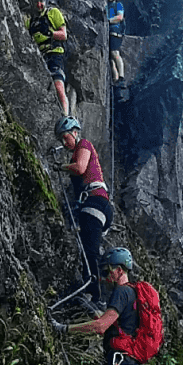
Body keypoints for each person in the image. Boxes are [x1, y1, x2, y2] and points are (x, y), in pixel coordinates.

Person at [56, 116, 112, 305]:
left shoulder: (84, 145)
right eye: (61, 140)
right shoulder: (77, 151)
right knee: (90, 249)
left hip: (95, 202)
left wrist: (60, 167)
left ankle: (95, 296)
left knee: (90, 252)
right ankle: (96, 293)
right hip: (99, 204)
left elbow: (80, 168)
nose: (64, 143)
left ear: (75, 132)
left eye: (65, 137)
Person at [27, 0, 70, 116]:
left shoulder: (53, 13)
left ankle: (65, 116)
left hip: (55, 53)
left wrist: (50, 33)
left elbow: (63, 35)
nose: (39, 5)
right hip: (39, 57)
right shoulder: (29, 21)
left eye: (41, 1)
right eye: (36, 2)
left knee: (58, 85)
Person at [105, 0, 125, 85]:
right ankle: (115, 78)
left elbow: (119, 17)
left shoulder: (118, 5)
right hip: (108, 33)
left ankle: (121, 75)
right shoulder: (106, 6)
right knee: (110, 58)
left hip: (115, 32)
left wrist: (108, 21)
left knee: (114, 53)